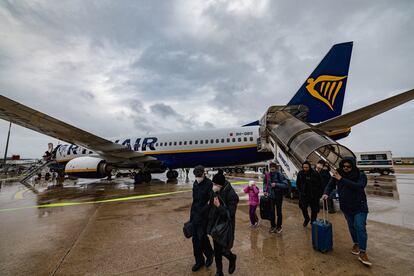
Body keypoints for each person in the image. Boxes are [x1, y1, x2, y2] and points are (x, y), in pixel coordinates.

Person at [322, 157, 372, 266]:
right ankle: (356, 243)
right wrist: (326, 193)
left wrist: (341, 179)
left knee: (360, 226)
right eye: (343, 166)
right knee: (352, 227)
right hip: (346, 206)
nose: (345, 168)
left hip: (360, 205)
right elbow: (330, 185)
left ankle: (363, 252)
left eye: (348, 166)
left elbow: (359, 186)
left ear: (353, 166)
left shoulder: (360, 175)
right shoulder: (338, 173)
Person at [207, 173, 239, 276]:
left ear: (221, 184)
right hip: (215, 226)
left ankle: (232, 258)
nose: (213, 186)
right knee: (217, 251)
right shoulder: (215, 191)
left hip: (225, 227)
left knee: (224, 250)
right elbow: (211, 208)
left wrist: (219, 206)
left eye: (215, 184)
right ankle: (219, 271)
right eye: (213, 183)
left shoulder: (232, 195)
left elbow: (230, 215)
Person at [189, 165, 214, 272]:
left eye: (199, 175)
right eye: (196, 175)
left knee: (202, 237)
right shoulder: (195, 183)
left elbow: (211, 202)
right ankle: (199, 261)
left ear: (204, 174)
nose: (198, 177)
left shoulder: (209, 184)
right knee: (195, 239)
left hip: (204, 216)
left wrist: (203, 212)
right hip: (194, 215)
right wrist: (192, 215)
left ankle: (209, 254)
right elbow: (195, 201)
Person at [296, 161, 324, 227]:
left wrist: (320, 194)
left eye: (306, 167)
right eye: (304, 167)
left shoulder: (315, 173)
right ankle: (307, 218)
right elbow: (298, 183)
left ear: (309, 167)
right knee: (303, 207)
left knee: (314, 209)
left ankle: (313, 221)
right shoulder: (300, 173)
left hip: (313, 195)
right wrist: (300, 191)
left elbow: (321, 184)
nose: (305, 169)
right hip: (303, 195)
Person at [263, 162, 288, 233]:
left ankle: (279, 227)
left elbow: (285, 185)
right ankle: (273, 226)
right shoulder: (267, 175)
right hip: (271, 196)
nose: (271, 170)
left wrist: (276, 184)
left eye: (273, 169)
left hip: (278, 196)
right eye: (270, 169)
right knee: (271, 212)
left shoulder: (279, 174)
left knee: (279, 212)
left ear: (276, 168)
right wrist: (265, 190)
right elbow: (265, 183)